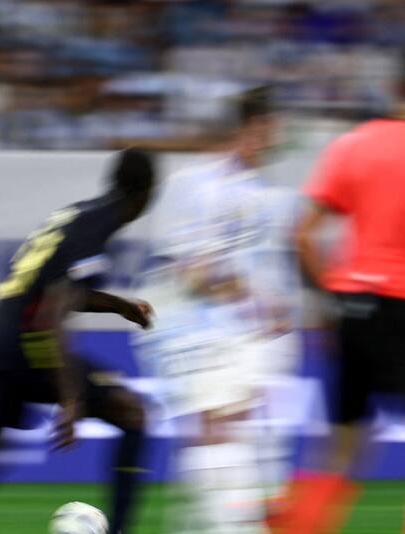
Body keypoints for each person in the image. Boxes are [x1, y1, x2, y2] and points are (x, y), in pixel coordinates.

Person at [0, 148, 156, 534]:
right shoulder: (97, 230)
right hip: (28, 343)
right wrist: (71, 398)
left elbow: (56, 289)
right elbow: (53, 311)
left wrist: (118, 305)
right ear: (147, 195)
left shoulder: (79, 215)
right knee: (132, 412)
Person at [133, 87, 299, 533]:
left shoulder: (262, 192)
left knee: (233, 429)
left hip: (241, 332)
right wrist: (251, 297)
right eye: (268, 128)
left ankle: (212, 523)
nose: (273, 138)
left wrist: (270, 309)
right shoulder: (197, 185)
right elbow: (191, 269)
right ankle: (231, 526)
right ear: (249, 128)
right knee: (219, 425)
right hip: (197, 327)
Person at [280, 103, 405, 533]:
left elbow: (300, 235)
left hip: (353, 307)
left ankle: (299, 526)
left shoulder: (351, 146)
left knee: (341, 446)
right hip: (399, 302)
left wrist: (329, 302)